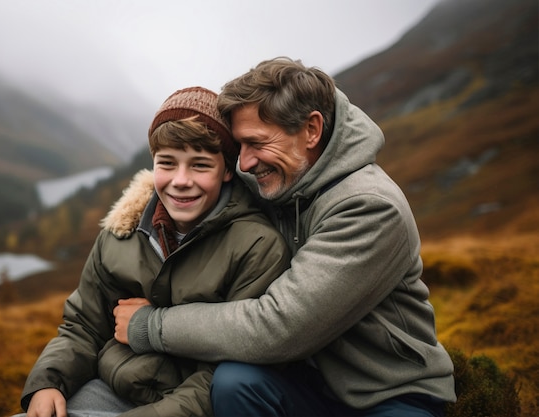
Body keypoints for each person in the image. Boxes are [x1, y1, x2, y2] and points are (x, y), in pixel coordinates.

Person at [114, 57, 457, 417]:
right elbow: (190, 179)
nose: (244, 164)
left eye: (256, 144)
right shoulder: (280, 175)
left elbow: (279, 327)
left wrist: (152, 326)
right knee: (234, 383)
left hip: (387, 396)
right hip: (306, 384)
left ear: (311, 130)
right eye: (239, 146)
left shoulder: (370, 207)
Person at [18, 86, 291, 417]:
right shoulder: (121, 233)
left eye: (200, 165)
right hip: (109, 389)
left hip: (197, 405)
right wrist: (48, 382)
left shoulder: (256, 247)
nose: (180, 180)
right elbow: (84, 326)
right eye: (167, 163)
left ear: (228, 170)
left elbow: (223, 375)